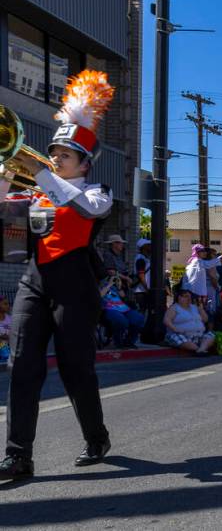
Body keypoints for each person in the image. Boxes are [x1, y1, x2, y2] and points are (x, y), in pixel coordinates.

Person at [0, 70, 117, 481]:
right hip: (35, 280)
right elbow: (6, 225)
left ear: (84, 162)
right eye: (53, 153)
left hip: (75, 285)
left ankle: (96, 436)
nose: (53, 159)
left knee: (76, 368)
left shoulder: (98, 191)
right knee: (22, 365)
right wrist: (3, 175)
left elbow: (85, 211)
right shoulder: (38, 190)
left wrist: (45, 177)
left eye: (64, 155)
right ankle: (18, 456)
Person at [164, 287, 215, 355]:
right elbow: (166, 320)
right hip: (181, 335)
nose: (188, 298)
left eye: (189, 296)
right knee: (178, 338)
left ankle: (201, 349)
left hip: (198, 336)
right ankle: (198, 350)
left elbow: (205, 320)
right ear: (179, 298)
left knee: (211, 335)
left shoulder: (195, 307)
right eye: (185, 296)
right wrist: (175, 329)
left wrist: (201, 309)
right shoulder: (174, 308)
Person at [100, 275, 145, 349]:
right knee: (122, 321)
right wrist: (109, 284)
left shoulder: (115, 288)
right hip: (110, 309)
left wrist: (119, 287)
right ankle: (118, 342)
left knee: (139, 318)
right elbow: (100, 295)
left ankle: (129, 342)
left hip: (123, 308)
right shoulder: (100, 286)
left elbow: (123, 296)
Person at [132, 238, 151, 312]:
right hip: (141, 291)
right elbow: (141, 274)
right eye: (148, 245)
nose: (150, 246)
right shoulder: (140, 259)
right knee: (142, 311)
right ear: (143, 247)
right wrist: (147, 288)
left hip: (143, 290)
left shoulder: (145, 258)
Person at [0, 297, 11, 371]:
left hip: (9, 346)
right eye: (5, 304)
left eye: (8, 304)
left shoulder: (10, 318)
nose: (8, 306)